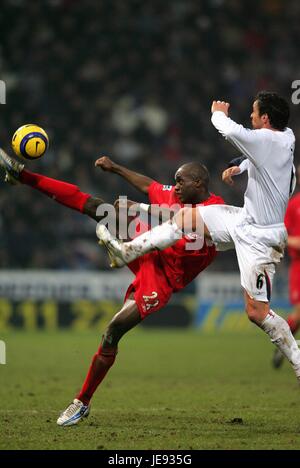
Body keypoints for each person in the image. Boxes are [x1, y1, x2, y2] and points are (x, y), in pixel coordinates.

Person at [0, 150, 224, 425]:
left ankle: (81, 402)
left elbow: (181, 222)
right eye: (174, 182)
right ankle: (23, 176)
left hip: (162, 280)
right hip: (149, 250)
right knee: (98, 206)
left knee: (112, 331)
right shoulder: (178, 195)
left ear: (199, 184)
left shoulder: (216, 212)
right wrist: (115, 167)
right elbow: (148, 185)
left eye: (181, 182)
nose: (175, 187)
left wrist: (140, 210)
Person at [97, 91, 300, 383]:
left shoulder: (268, 140)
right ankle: (127, 251)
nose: (251, 117)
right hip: (244, 221)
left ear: (265, 118)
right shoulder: (286, 137)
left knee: (256, 313)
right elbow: (277, 166)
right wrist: (241, 167)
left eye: (254, 113)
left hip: (261, 237)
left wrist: (218, 112)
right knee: (186, 218)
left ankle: (297, 359)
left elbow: (229, 130)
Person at [273, 165, 300, 368]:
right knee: (298, 314)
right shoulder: (293, 205)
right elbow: (282, 237)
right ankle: (284, 345)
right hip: (299, 266)